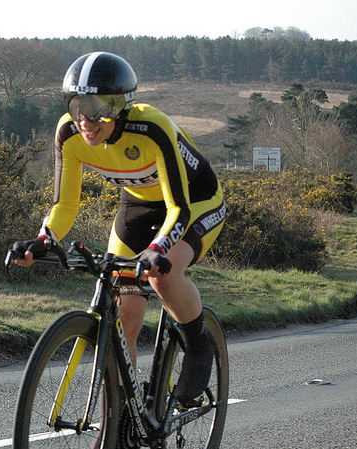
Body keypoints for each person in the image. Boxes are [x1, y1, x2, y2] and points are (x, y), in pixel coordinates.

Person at [12, 51, 226, 406]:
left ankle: (199, 345)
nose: (86, 119)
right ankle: (114, 424)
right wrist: (43, 240)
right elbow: (64, 205)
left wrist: (158, 250)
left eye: (99, 108)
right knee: (122, 308)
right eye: (77, 104)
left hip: (196, 201)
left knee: (162, 277)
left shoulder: (151, 128)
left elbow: (179, 207)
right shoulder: (69, 133)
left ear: (122, 105)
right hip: (138, 205)